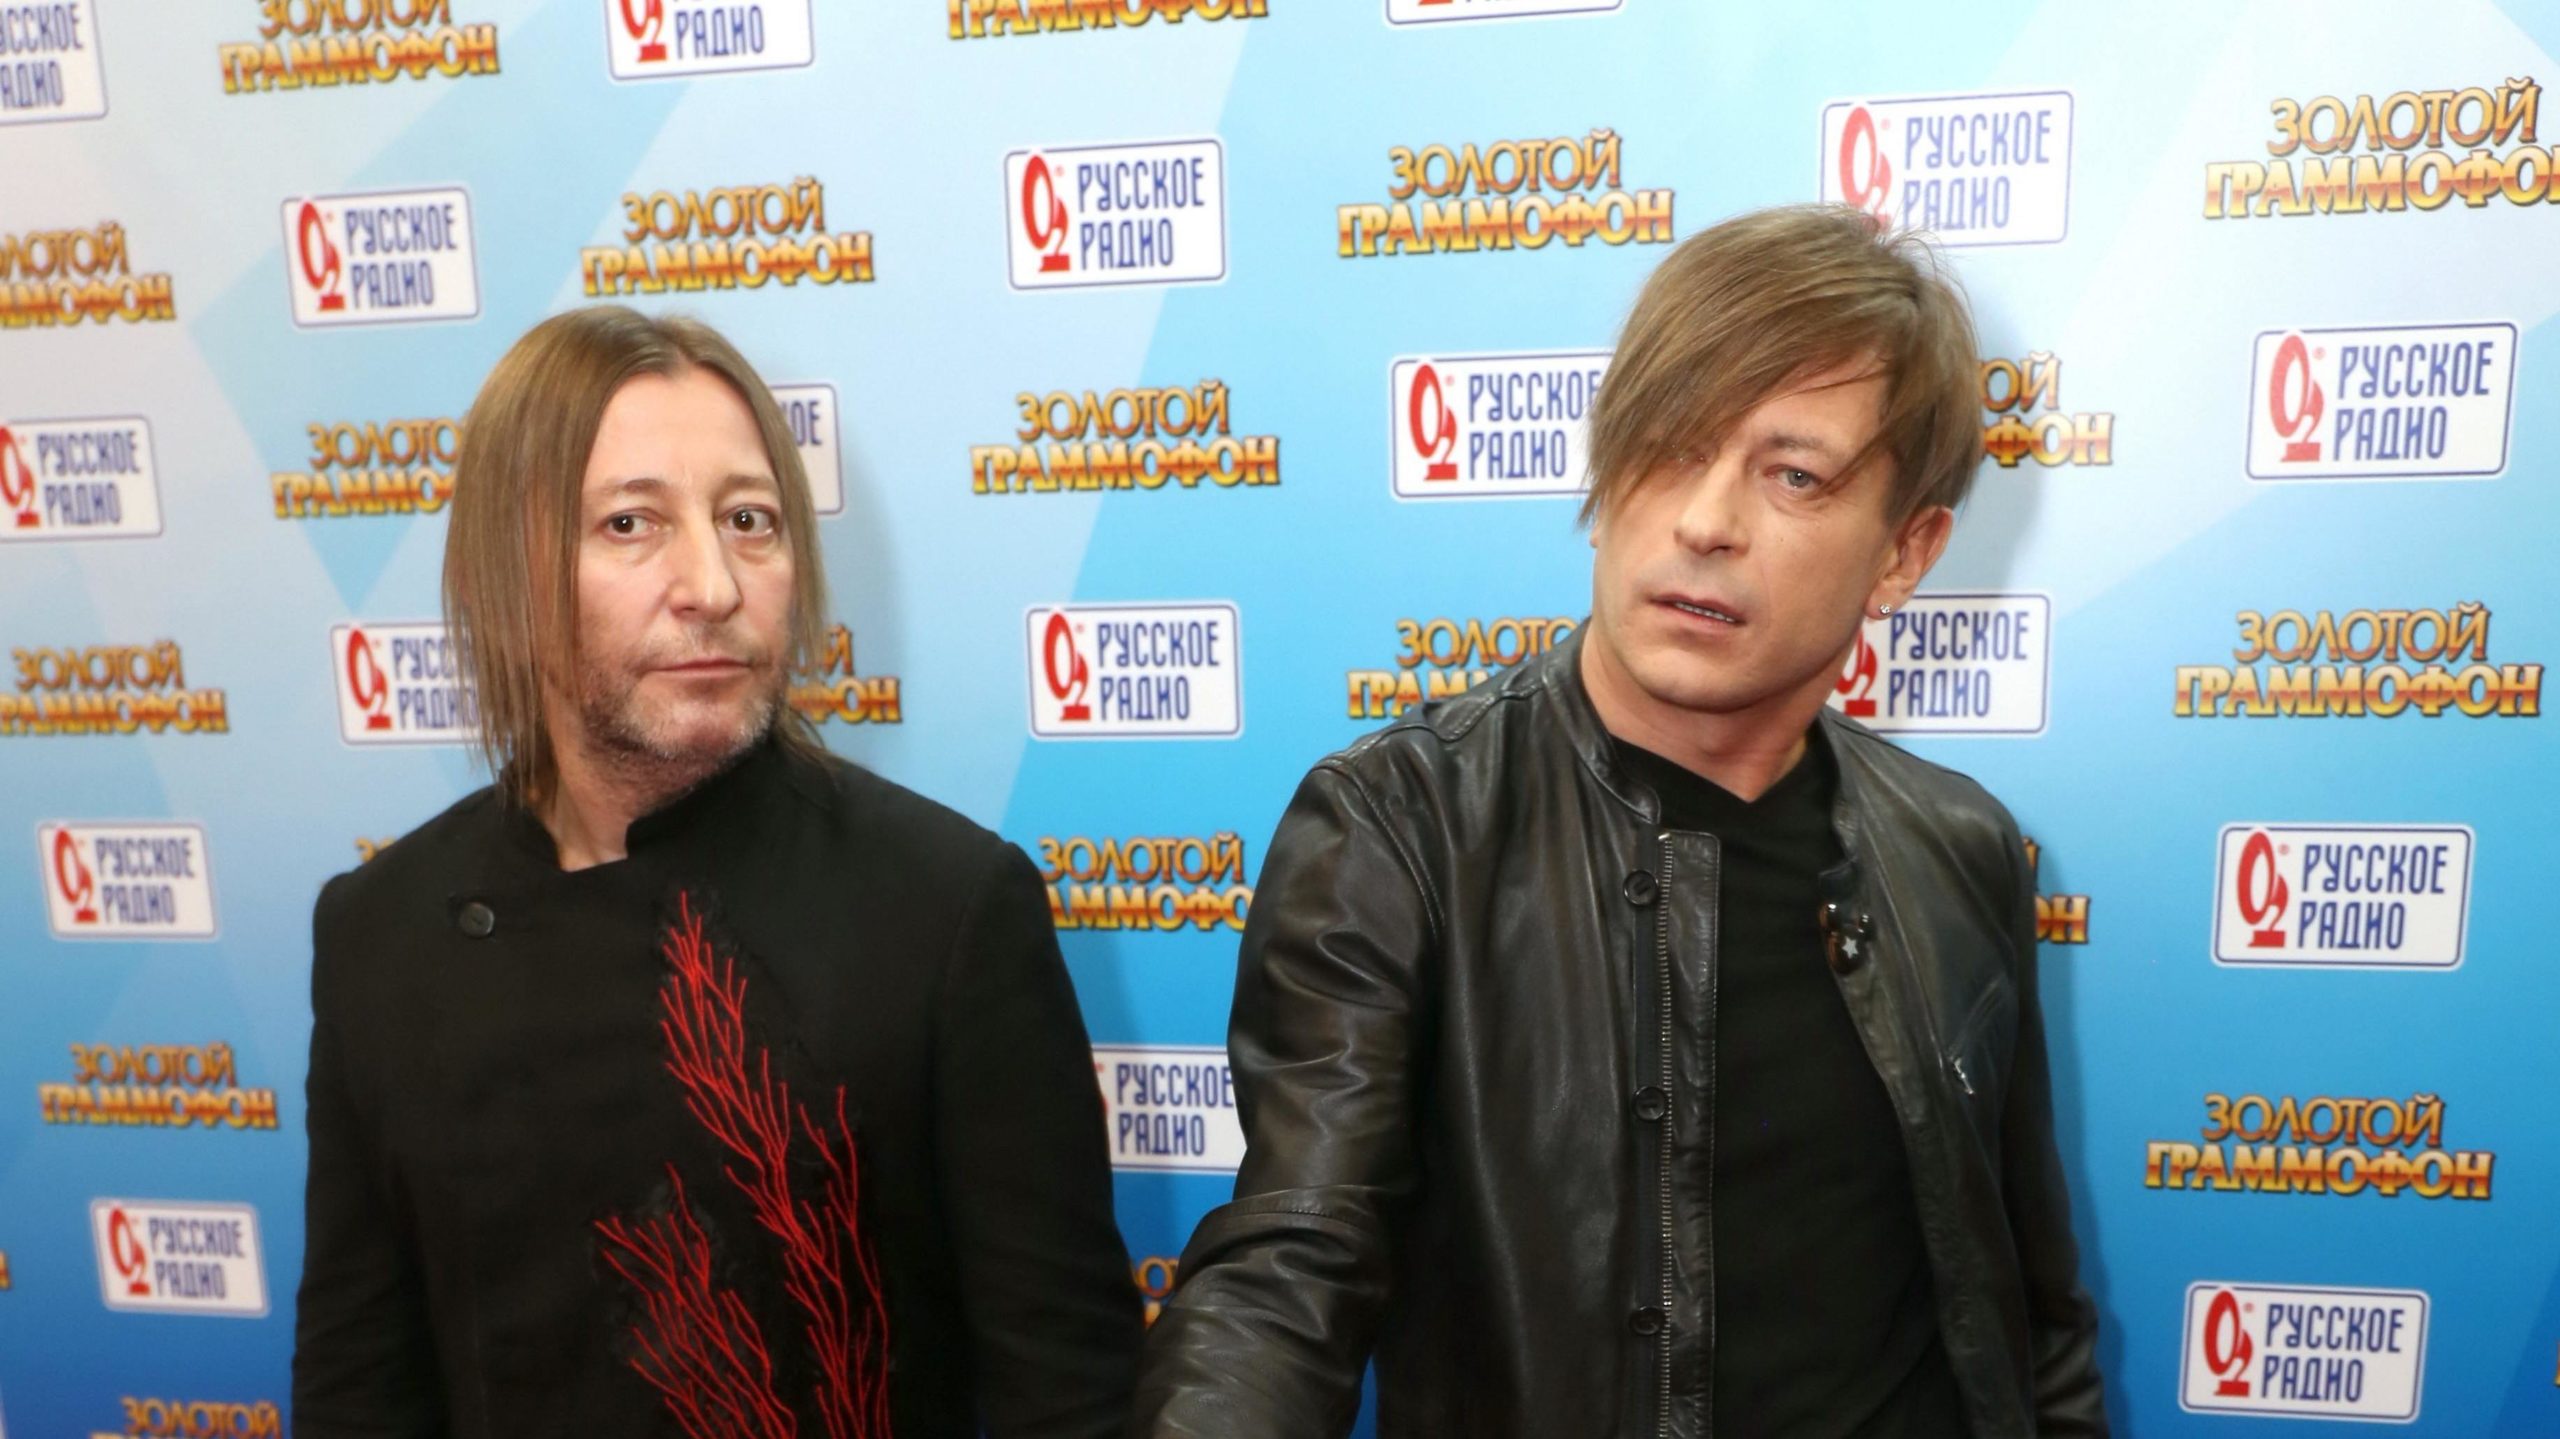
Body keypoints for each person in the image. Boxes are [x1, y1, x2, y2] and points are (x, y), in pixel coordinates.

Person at [1135, 205, 2106, 1438]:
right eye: (1667, 445)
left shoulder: (1958, 848)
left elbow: (2028, 1316)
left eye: (1793, 475)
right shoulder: (1404, 825)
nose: (1704, 520)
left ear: (1903, 554)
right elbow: (1290, 1267)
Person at [293, 306, 1140, 1438]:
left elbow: (1072, 1399)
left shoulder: (945, 910)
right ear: (508, 569)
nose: (714, 584)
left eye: (749, 519)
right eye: (631, 523)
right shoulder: (379, 932)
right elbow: (356, 1389)